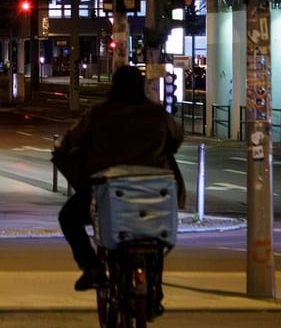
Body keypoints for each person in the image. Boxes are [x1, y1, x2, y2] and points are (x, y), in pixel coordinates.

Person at [52, 65, 185, 291]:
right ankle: (155, 288)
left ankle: (92, 267)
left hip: (108, 192)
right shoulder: (158, 114)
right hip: (153, 192)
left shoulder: (98, 114)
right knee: (155, 234)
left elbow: (70, 142)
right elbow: (176, 139)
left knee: (68, 217)